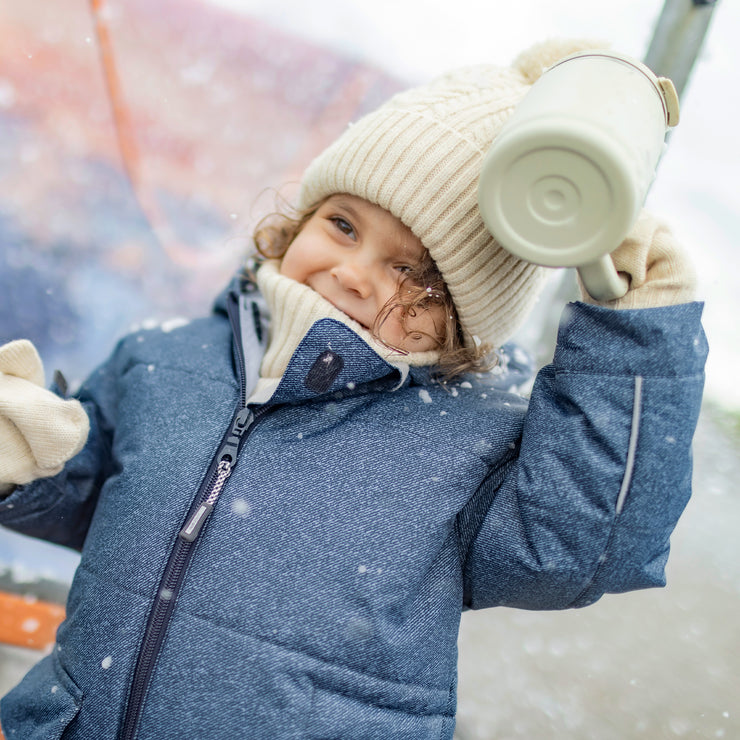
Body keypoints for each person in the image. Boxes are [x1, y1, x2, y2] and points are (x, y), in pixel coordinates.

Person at [0, 38, 706, 740]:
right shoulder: (161, 359)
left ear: (465, 323)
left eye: (416, 274)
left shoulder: (474, 441)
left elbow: (581, 548)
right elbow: (106, 509)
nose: (354, 272)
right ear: (298, 218)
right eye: (342, 224)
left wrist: (638, 339)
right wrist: (36, 466)